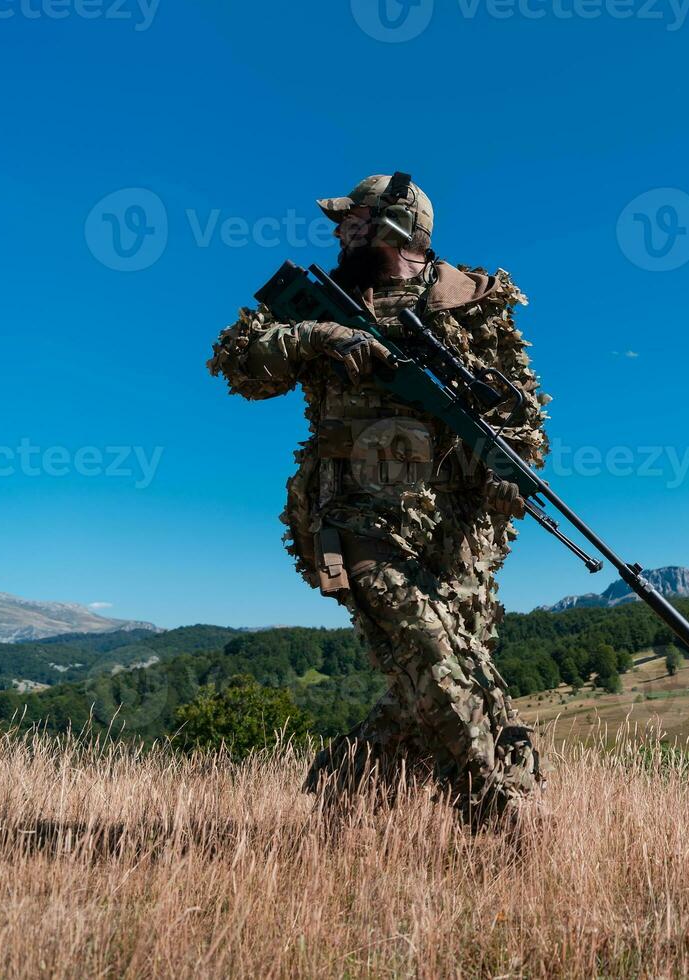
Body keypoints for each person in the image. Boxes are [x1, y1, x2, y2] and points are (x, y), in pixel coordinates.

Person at [207, 173, 547, 826]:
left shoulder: (472, 300)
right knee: (429, 656)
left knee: (458, 674)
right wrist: (319, 337)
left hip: (454, 533)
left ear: (393, 225)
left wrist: (514, 467)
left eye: (353, 220)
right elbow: (240, 364)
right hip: (352, 519)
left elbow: (520, 409)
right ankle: (506, 825)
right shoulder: (320, 302)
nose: (339, 231)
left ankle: (348, 789)